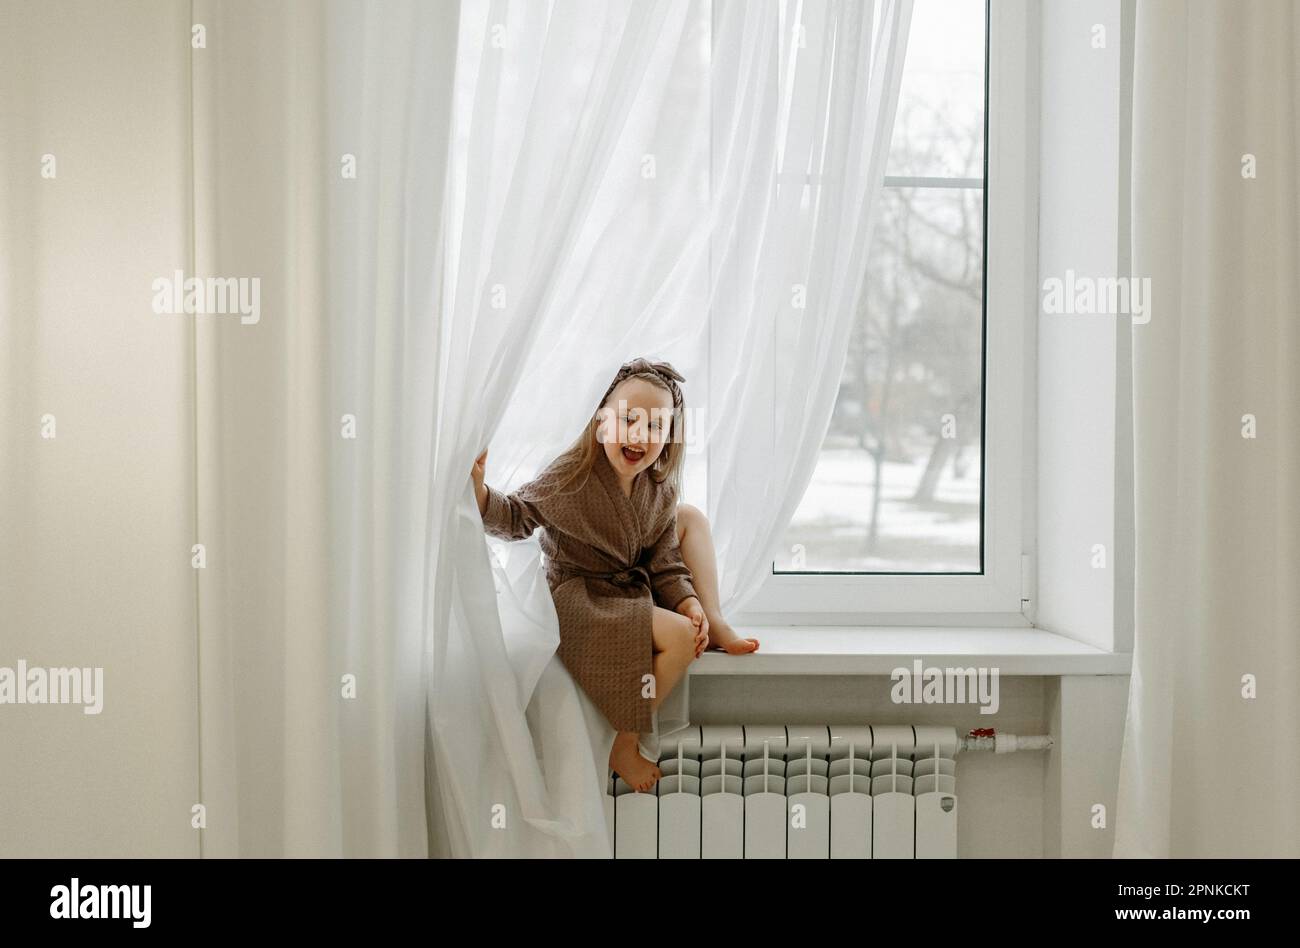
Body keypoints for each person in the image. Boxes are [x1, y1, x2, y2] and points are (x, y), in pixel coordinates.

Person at [471, 357, 759, 792]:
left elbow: (665, 561)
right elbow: (515, 517)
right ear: (602, 422)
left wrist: (689, 601)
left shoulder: (658, 487)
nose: (640, 435)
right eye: (629, 419)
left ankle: (713, 618)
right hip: (583, 595)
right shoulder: (571, 477)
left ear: (669, 437)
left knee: (691, 519)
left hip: (630, 581)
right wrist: (477, 489)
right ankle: (625, 740)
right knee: (681, 637)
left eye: (655, 426)